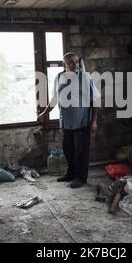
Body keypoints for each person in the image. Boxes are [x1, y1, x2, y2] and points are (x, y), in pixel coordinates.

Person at [38, 52, 100, 188]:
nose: (75, 65)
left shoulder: (85, 77)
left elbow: (95, 99)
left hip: (82, 121)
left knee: (81, 152)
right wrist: (44, 112)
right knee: (68, 150)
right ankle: (71, 173)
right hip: (66, 122)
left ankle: (81, 178)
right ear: (63, 64)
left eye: (76, 62)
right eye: (71, 62)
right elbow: (55, 98)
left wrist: (94, 120)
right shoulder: (59, 77)